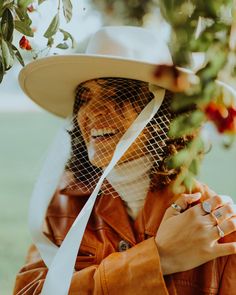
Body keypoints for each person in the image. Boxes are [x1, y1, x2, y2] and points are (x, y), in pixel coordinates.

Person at [14, 26, 236, 295]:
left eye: (115, 95)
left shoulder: (215, 226)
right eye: (84, 99)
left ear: (161, 116)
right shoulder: (63, 206)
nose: (92, 112)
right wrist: (159, 258)